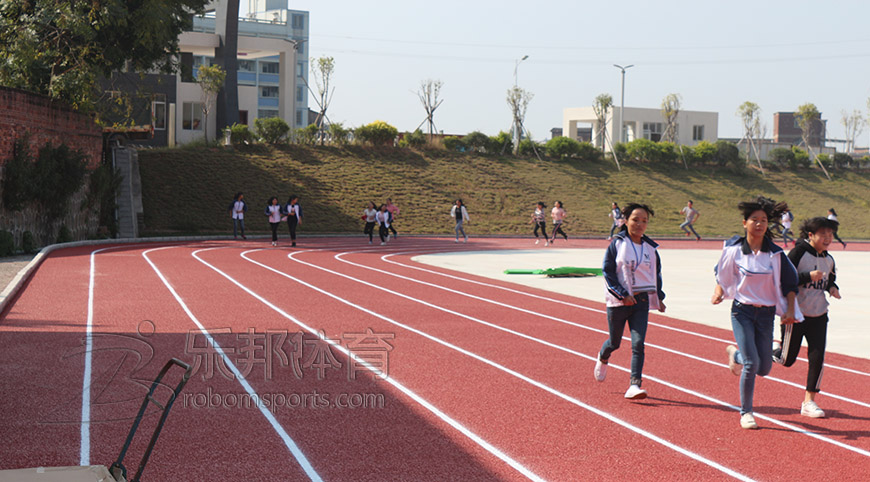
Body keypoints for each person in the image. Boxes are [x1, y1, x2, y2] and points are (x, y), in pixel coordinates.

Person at [712, 196, 801, 430]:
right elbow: (721, 271)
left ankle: (734, 355)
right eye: (754, 220)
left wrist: (790, 310)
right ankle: (746, 412)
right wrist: (719, 290)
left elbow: (790, 283)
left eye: (763, 220)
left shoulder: (775, 254)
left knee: (764, 368)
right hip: (742, 311)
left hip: (766, 314)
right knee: (752, 364)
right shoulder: (734, 250)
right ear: (745, 223)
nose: (759, 224)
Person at [594, 203, 666, 400]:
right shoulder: (617, 244)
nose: (640, 224)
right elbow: (608, 272)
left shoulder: (651, 248)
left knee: (638, 343)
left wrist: (659, 296)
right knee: (614, 342)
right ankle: (603, 356)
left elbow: (655, 274)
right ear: (625, 221)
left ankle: (635, 384)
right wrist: (621, 294)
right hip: (619, 303)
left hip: (641, 302)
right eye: (636, 220)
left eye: (644, 221)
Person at [773, 216, 841, 418]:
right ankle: (769, 350)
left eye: (830, 234)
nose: (828, 238)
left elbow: (830, 279)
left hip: (819, 314)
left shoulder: (829, 259)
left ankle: (809, 402)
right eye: (823, 234)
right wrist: (807, 277)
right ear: (811, 235)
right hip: (795, 314)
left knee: (817, 357)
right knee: (787, 360)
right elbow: (783, 278)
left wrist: (833, 288)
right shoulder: (798, 253)